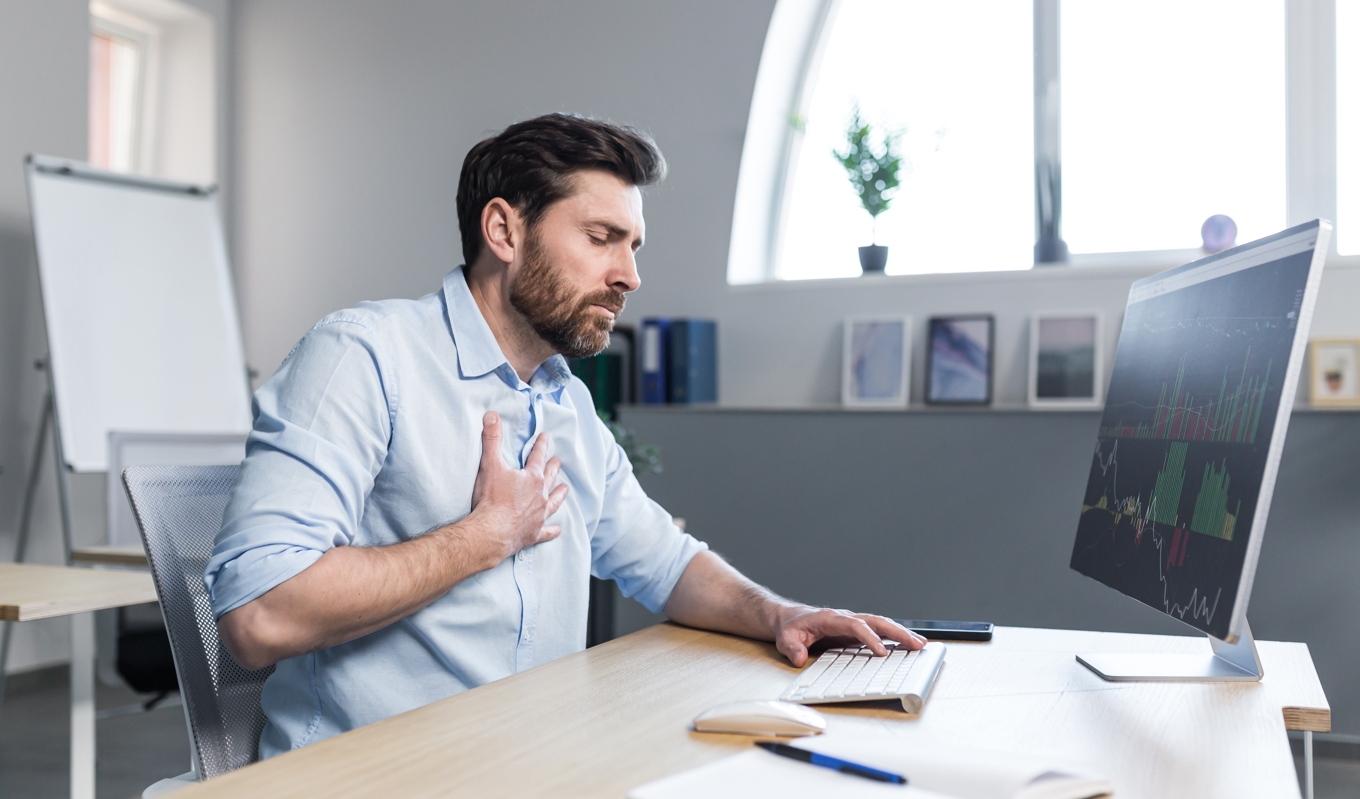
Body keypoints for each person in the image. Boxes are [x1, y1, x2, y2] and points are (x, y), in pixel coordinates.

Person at [206, 113, 924, 758]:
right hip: (371, 776)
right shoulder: (364, 355)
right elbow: (259, 614)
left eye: (634, 246)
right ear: (504, 231)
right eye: (602, 238)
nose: (630, 275)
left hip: (534, 762)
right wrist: (487, 535)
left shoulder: (566, 403)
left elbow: (665, 564)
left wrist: (782, 614)